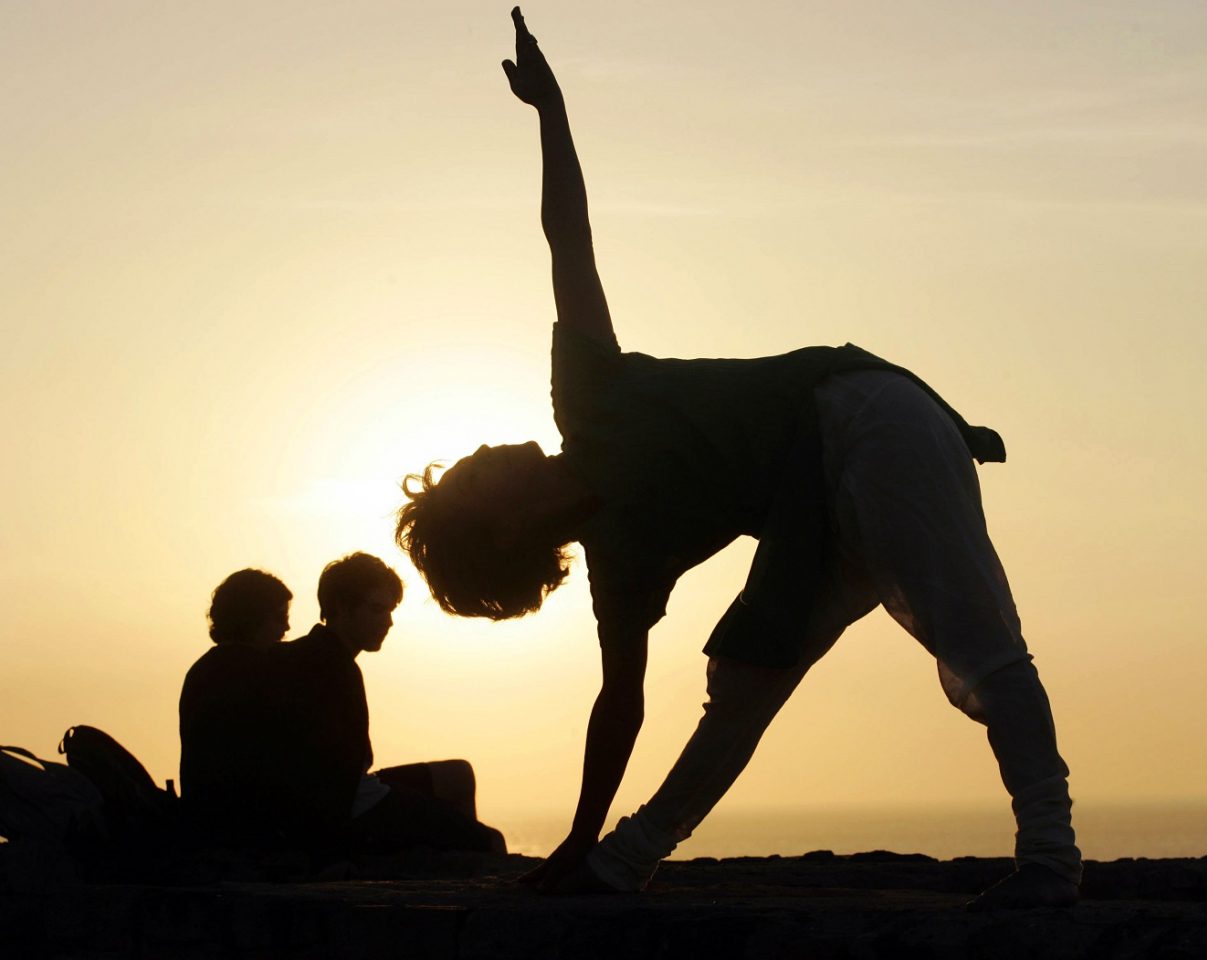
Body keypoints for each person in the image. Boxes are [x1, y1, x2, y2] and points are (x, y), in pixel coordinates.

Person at [396, 8, 1078, 908]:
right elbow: (620, 706)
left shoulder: (588, 399)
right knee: (745, 679)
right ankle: (619, 862)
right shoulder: (620, 566)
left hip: (865, 419)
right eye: (479, 476)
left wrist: (549, 115)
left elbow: (569, 237)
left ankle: (1052, 862)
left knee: (975, 635)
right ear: (511, 526)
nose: (486, 449)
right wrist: (577, 837)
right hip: (816, 507)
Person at [270, 552, 506, 856]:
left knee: (457, 775)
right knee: (491, 841)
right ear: (342, 607)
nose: (389, 622)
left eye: (390, 610)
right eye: (377, 610)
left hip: (351, 792)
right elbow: (331, 780)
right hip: (348, 808)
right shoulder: (333, 669)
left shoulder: (313, 655)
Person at [179, 568, 292, 845]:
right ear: (252, 616)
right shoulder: (258, 671)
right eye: (279, 617)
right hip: (246, 829)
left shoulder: (203, 669)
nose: (286, 628)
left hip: (207, 821)